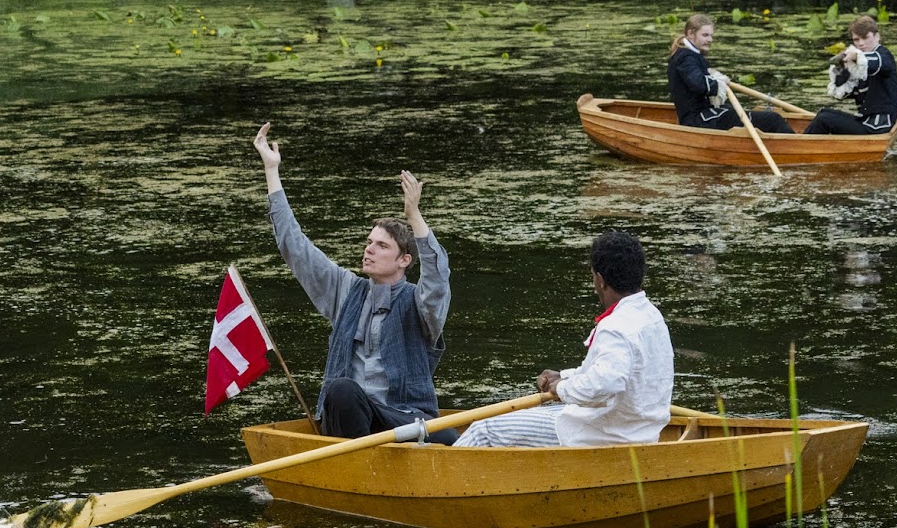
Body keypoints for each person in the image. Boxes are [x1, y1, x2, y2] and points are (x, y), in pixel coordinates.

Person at [252, 123, 457, 444]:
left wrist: (414, 215)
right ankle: (361, 463)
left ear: (404, 260)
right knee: (342, 390)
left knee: (447, 434)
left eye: (381, 245)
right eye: (369, 242)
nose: (369, 249)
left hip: (401, 418)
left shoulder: (420, 304)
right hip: (349, 419)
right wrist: (271, 170)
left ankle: (372, 460)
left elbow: (437, 277)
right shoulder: (346, 291)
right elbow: (296, 247)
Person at [454, 231, 673, 448]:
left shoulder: (616, 326)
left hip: (603, 434)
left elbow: (604, 384)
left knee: (482, 430)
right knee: (532, 413)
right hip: (636, 429)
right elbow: (611, 371)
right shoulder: (651, 315)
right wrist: (564, 376)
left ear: (600, 280)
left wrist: (560, 389)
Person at [667, 13, 794, 134]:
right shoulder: (685, 58)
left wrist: (713, 77)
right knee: (773, 119)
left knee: (738, 110)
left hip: (705, 116)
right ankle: (797, 146)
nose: (710, 40)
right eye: (705, 35)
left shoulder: (689, 54)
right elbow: (700, 84)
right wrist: (718, 82)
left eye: (711, 35)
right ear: (690, 34)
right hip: (698, 121)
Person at [804, 15, 897, 135]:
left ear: (877, 36)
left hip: (878, 127)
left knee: (824, 120)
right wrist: (840, 68)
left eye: (865, 38)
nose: (861, 43)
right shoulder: (858, 66)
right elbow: (844, 94)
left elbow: (873, 62)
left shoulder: (884, 56)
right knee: (824, 113)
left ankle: (797, 149)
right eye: (856, 40)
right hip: (865, 120)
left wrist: (855, 55)